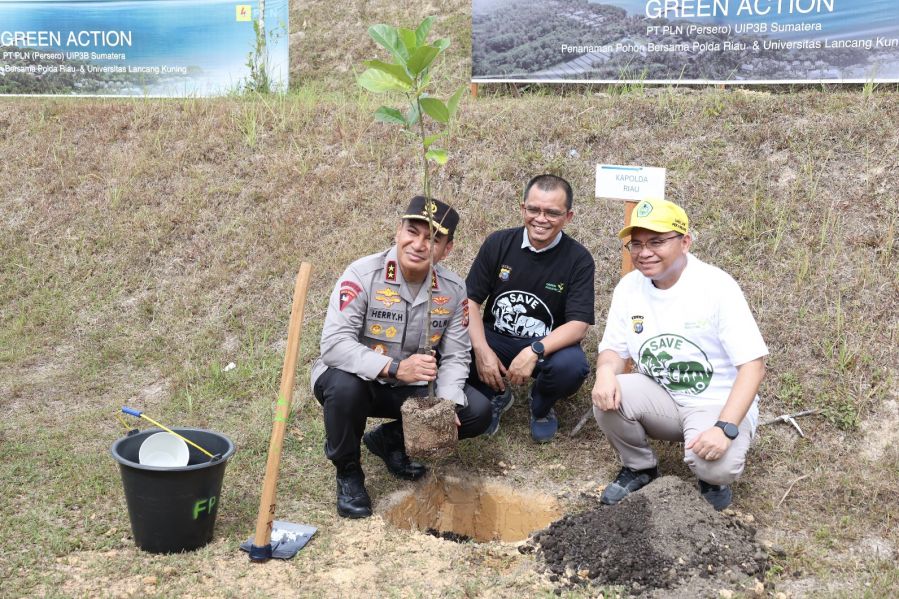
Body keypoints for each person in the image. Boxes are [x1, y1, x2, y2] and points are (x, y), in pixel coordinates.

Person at [311, 196, 491, 518]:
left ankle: (391, 440)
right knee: (344, 388)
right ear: (398, 231)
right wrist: (394, 368)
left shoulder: (452, 289)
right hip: (360, 382)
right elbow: (335, 345)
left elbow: (456, 355)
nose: (419, 245)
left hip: (411, 390)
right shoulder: (362, 275)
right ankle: (348, 472)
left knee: (476, 411)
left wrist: (446, 403)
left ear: (447, 249)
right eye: (412, 231)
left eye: (432, 239)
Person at [591, 198, 767, 510]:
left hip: (716, 401)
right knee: (609, 395)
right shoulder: (629, 287)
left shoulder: (716, 287)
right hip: (662, 394)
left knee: (716, 466)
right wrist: (605, 373)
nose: (644, 252)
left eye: (656, 242)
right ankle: (639, 467)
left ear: (684, 242)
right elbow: (613, 349)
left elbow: (753, 365)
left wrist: (725, 427)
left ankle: (712, 479)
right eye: (637, 244)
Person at [466, 174, 594, 443]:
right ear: (523, 208)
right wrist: (482, 350)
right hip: (497, 338)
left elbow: (578, 325)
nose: (540, 219)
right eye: (534, 209)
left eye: (552, 213)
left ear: (568, 216)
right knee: (451, 342)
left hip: (546, 343)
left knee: (572, 367)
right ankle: (493, 394)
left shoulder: (579, 259)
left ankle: (541, 404)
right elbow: (471, 301)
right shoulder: (498, 243)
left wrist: (535, 350)